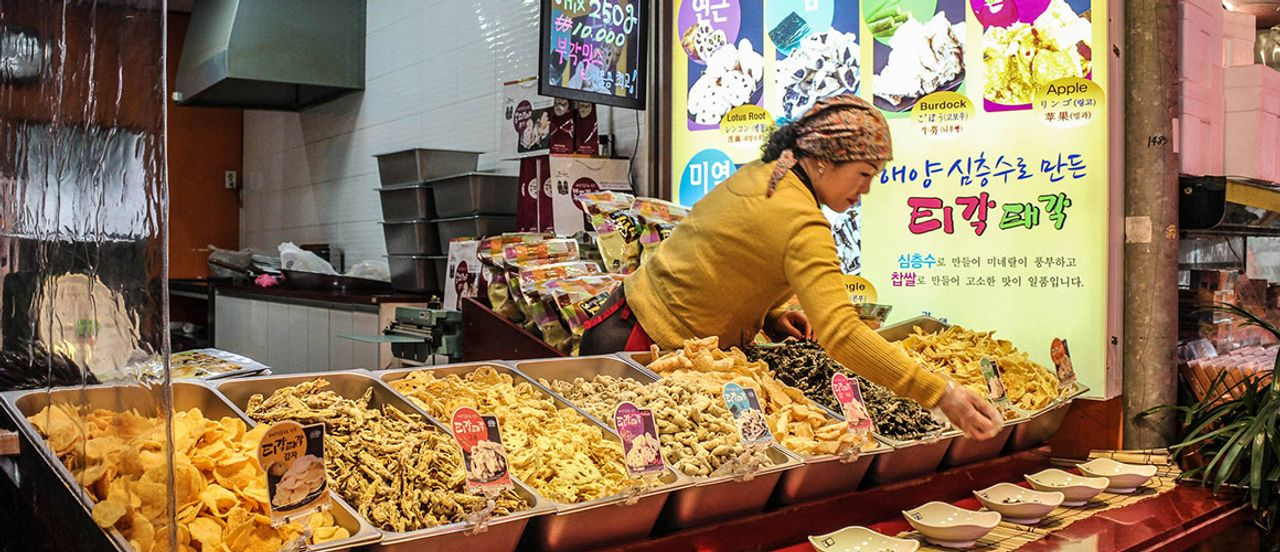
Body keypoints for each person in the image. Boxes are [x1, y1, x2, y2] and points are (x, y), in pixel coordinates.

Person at [580, 95, 1002, 441]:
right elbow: (842, 334)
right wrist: (940, 393)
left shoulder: (766, 175)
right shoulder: (800, 218)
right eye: (863, 173)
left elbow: (725, 257)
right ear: (823, 160)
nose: (865, 190)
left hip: (622, 324)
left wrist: (771, 315)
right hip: (639, 346)